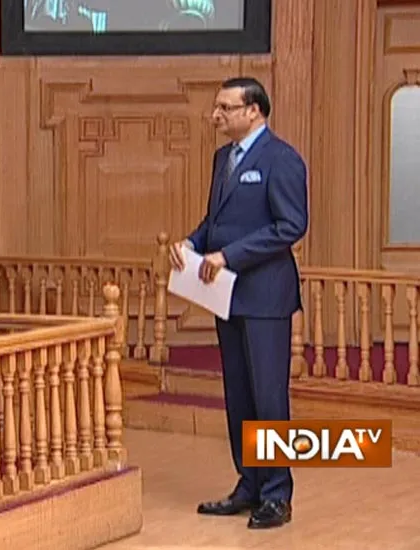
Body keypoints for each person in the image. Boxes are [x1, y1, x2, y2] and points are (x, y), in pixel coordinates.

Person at [168, 77, 308, 529]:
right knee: (240, 395)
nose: (216, 115)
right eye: (216, 107)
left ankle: (277, 494)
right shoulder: (222, 159)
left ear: (254, 111)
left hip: (265, 296)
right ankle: (249, 484)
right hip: (226, 295)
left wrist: (229, 255)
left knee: (268, 397)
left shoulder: (282, 159)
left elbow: (291, 226)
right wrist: (191, 244)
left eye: (225, 108)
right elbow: (217, 221)